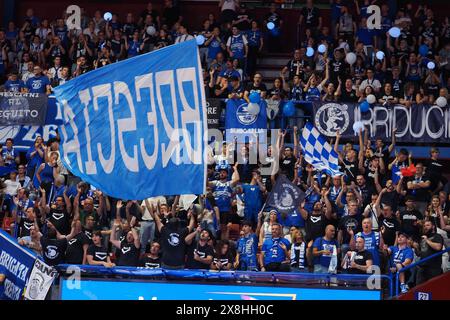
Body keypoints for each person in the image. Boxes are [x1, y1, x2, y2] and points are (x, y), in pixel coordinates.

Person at [149, 200, 195, 269]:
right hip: (178, 263)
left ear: (168, 224)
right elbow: (192, 224)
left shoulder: (165, 230)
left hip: (168, 263)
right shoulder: (182, 231)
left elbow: (158, 221)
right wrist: (192, 215)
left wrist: (155, 212)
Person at [413, 220, 444, 285]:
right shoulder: (422, 238)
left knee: (433, 288)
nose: (425, 227)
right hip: (422, 267)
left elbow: (438, 247)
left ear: (433, 227)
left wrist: (427, 240)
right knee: (419, 289)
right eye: (424, 226)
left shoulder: (437, 236)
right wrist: (416, 247)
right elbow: (419, 254)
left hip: (433, 268)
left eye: (428, 225)